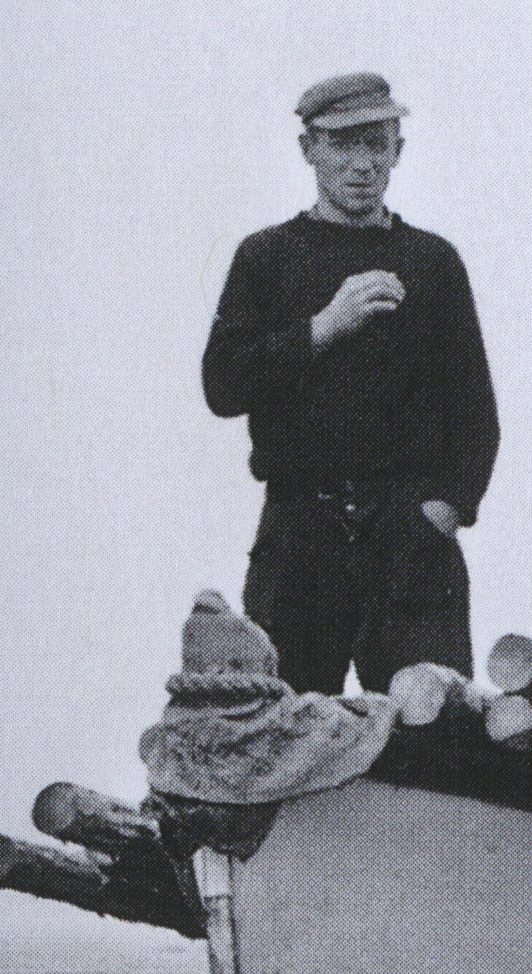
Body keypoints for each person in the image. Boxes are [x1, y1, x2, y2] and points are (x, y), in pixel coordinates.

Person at [200, 72, 499, 697]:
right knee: (285, 730)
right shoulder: (266, 257)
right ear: (308, 149)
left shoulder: (433, 263)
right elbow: (222, 386)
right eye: (342, 144)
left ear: (398, 152)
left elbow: (476, 415)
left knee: (432, 733)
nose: (362, 164)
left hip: (409, 540)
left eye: (376, 144)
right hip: (299, 537)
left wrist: (442, 514)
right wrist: (323, 327)